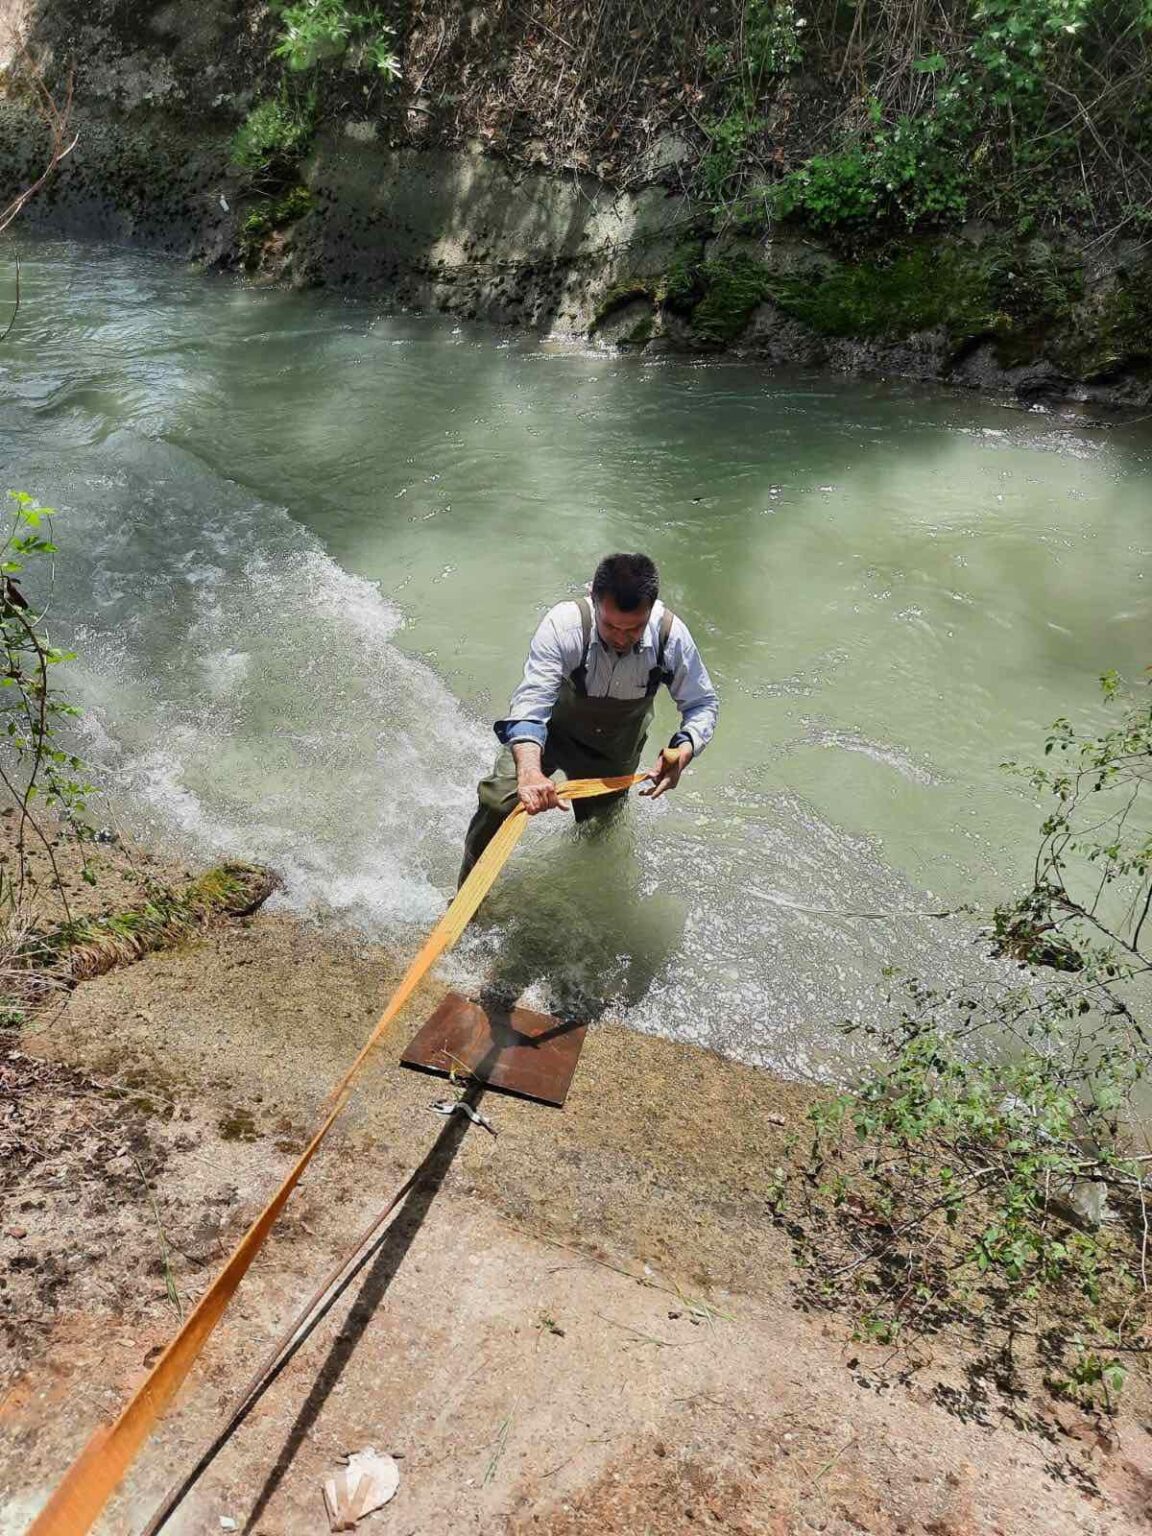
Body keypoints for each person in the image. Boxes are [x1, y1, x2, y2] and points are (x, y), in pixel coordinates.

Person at [459, 552, 719, 884]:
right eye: (611, 625)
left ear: (651, 610)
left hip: (614, 749)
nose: (622, 638)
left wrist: (684, 750)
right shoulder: (564, 625)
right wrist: (529, 772)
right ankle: (466, 900)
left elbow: (702, 704)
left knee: (599, 832)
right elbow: (531, 703)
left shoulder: (671, 636)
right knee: (497, 801)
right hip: (549, 734)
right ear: (593, 600)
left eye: (634, 628)